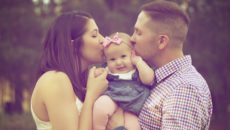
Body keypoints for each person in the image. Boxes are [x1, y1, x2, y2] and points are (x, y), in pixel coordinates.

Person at [109, 1, 213, 130]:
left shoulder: (184, 89)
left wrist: (118, 128)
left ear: (161, 41)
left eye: (138, 32)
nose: (132, 38)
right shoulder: (154, 76)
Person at [30, 11, 109, 130]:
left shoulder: (79, 82)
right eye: (94, 35)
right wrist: (91, 96)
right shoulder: (55, 79)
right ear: (72, 45)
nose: (103, 40)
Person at [93, 32, 154, 130]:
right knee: (100, 106)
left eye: (123, 56)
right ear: (106, 61)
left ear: (132, 54)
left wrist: (138, 62)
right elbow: (98, 79)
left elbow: (149, 80)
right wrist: (98, 73)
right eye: (112, 59)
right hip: (113, 98)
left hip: (133, 107)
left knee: (134, 127)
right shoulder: (107, 70)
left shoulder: (138, 68)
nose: (118, 62)